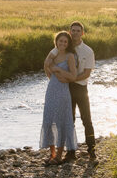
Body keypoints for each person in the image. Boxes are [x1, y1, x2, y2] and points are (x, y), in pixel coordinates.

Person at [44, 20, 96, 162]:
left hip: (80, 88)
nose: (75, 33)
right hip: (65, 89)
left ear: (82, 33)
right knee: (68, 120)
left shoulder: (88, 51)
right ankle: (71, 152)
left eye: (78, 31)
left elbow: (86, 73)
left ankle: (92, 152)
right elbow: (47, 62)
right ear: (69, 31)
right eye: (73, 30)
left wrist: (70, 78)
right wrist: (53, 79)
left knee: (87, 119)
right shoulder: (63, 45)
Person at [39, 31, 78, 165]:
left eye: (65, 42)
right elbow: (46, 66)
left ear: (68, 44)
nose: (62, 43)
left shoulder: (70, 56)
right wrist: (53, 77)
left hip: (63, 92)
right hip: (51, 90)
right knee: (49, 121)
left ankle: (59, 156)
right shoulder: (53, 55)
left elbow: (73, 76)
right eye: (60, 41)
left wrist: (59, 71)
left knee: (61, 122)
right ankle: (52, 154)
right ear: (56, 42)